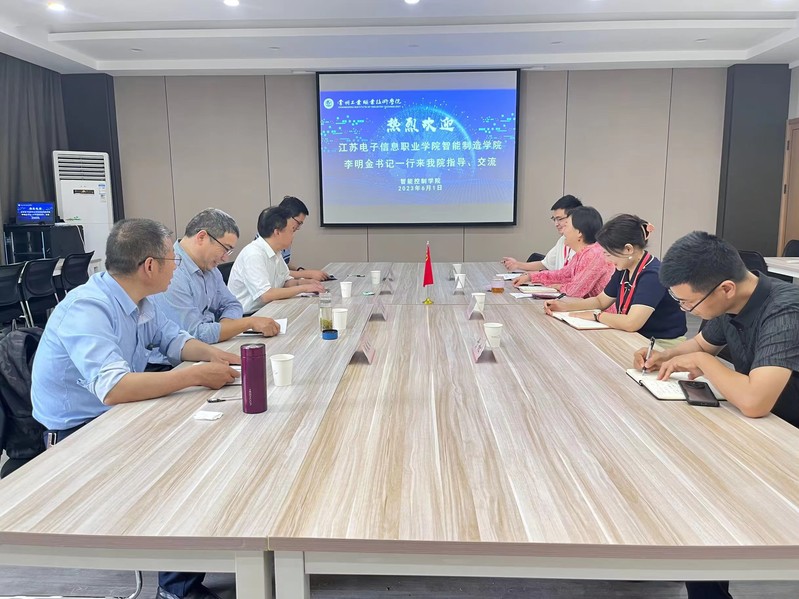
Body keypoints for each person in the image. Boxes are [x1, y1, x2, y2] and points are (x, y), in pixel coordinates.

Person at [31, 218, 241, 599]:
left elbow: (174, 339)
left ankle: (190, 572)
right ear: (149, 266)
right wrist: (195, 375)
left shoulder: (140, 300)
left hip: (119, 417)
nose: (176, 266)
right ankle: (176, 590)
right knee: (186, 466)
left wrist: (219, 357)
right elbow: (114, 388)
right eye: (171, 259)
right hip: (78, 435)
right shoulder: (88, 308)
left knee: (209, 441)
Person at [633, 231, 799, 599]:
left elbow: (755, 401)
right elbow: (701, 344)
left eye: (687, 303)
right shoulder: (730, 301)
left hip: (787, 438)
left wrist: (704, 362)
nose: (684, 310)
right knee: (691, 485)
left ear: (725, 288)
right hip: (764, 428)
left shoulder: (785, 310)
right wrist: (665, 355)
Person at [150, 208, 280, 356]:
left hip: (213, 347)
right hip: (176, 362)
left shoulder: (209, 267)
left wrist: (227, 327)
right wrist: (247, 323)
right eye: (225, 249)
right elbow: (194, 335)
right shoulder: (172, 273)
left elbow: (232, 304)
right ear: (201, 237)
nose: (225, 258)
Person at [544, 214, 686, 345]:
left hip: (660, 343)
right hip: (635, 336)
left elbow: (631, 323)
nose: (607, 260)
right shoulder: (625, 268)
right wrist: (564, 307)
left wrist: (596, 315)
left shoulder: (652, 275)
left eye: (608, 254)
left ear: (628, 249)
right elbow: (600, 301)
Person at [227, 206, 325, 314]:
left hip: (268, 308)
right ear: (277, 232)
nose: (293, 236)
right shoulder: (253, 254)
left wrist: (305, 283)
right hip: (248, 316)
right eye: (292, 231)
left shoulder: (276, 251)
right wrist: (304, 288)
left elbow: (285, 282)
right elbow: (266, 295)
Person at [512, 206, 613, 298]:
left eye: (566, 226)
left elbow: (575, 291)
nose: (563, 230)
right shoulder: (582, 254)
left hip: (601, 311)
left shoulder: (594, 254)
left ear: (579, 232)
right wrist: (530, 277)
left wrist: (559, 286)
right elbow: (562, 275)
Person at [501, 194, 582, 272]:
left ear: (574, 218)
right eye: (554, 219)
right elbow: (545, 264)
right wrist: (517, 265)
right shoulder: (562, 240)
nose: (556, 224)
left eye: (559, 219)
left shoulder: (584, 247)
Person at [278, 195, 331, 281]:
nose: (298, 228)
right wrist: (307, 274)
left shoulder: (287, 235)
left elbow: (282, 264)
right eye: (298, 223)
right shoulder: (271, 237)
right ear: (285, 217)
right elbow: (277, 273)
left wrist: (299, 270)